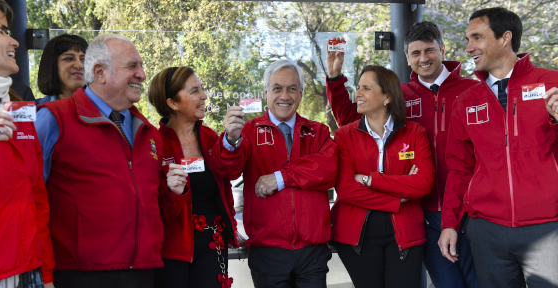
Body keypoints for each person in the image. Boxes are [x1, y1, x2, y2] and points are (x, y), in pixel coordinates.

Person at [326, 22, 480, 288]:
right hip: (427, 214)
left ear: (442, 49)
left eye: (430, 50)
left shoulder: (472, 90)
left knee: (482, 282)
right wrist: (335, 80)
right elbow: (354, 118)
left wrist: (370, 179)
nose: (423, 59)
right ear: (407, 58)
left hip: (472, 209)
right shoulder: (401, 96)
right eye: (415, 53)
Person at [34, 34, 186, 288]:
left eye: (141, 65)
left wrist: (175, 193)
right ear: (100, 72)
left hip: (144, 274)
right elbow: (28, 201)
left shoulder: (148, 132)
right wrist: (44, 274)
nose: (142, 74)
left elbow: (155, 208)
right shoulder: (53, 120)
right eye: (132, 66)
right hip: (79, 276)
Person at [438, 7, 558, 288]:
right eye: (468, 39)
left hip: (548, 227)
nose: (468, 48)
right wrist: (450, 223)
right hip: (488, 232)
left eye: (477, 38)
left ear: (505, 38)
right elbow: (459, 167)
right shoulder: (466, 100)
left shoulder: (552, 83)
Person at [213, 59, 338, 288]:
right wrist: (230, 140)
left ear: (300, 93)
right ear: (266, 92)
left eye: (292, 89)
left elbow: (328, 170)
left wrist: (280, 178)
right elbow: (228, 171)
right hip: (267, 251)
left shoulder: (318, 132)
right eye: (277, 88)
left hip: (312, 252)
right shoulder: (247, 131)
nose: (285, 95)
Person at [330, 65, 434, 288]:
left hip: (406, 231)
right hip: (357, 235)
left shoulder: (415, 132)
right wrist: (398, 198)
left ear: (387, 96)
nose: (358, 93)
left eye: (366, 88)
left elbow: (423, 184)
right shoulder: (344, 136)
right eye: (358, 87)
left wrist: (370, 180)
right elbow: (347, 189)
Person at [147, 66, 245, 288]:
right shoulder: (154, 144)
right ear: (172, 103)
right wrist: (174, 193)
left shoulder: (210, 136)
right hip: (172, 250)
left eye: (202, 89)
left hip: (213, 244)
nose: (203, 96)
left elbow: (228, 179)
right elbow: (155, 211)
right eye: (194, 91)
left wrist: (231, 139)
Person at [0, 1, 54, 287]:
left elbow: (37, 200)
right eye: (1, 30)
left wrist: (46, 276)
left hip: (27, 270)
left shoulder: (21, 110)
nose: (14, 40)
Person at [36, 34, 88, 105]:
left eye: (83, 59)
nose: (79, 65)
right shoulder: (34, 112)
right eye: (69, 58)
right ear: (51, 65)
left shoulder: (105, 109)